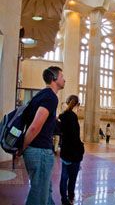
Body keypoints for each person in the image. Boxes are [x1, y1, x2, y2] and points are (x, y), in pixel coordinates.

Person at [17, 66, 65, 205]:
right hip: (40, 152)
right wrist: (22, 147)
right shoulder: (50, 97)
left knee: (46, 191)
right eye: (62, 76)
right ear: (54, 79)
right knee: (39, 196)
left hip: (37, 150)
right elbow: (34, 127)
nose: (64, 79)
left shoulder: (40, 95)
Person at [58, 95, 84, 205]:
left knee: (64, 177)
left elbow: (61, 133)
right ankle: (71, 197)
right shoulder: (73, 117)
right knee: (72, 178)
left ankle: (64, 199)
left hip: (65, 152)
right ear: (77, 105)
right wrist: (81, 149)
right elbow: (75, 137)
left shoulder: (62, 116)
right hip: (74, 153)